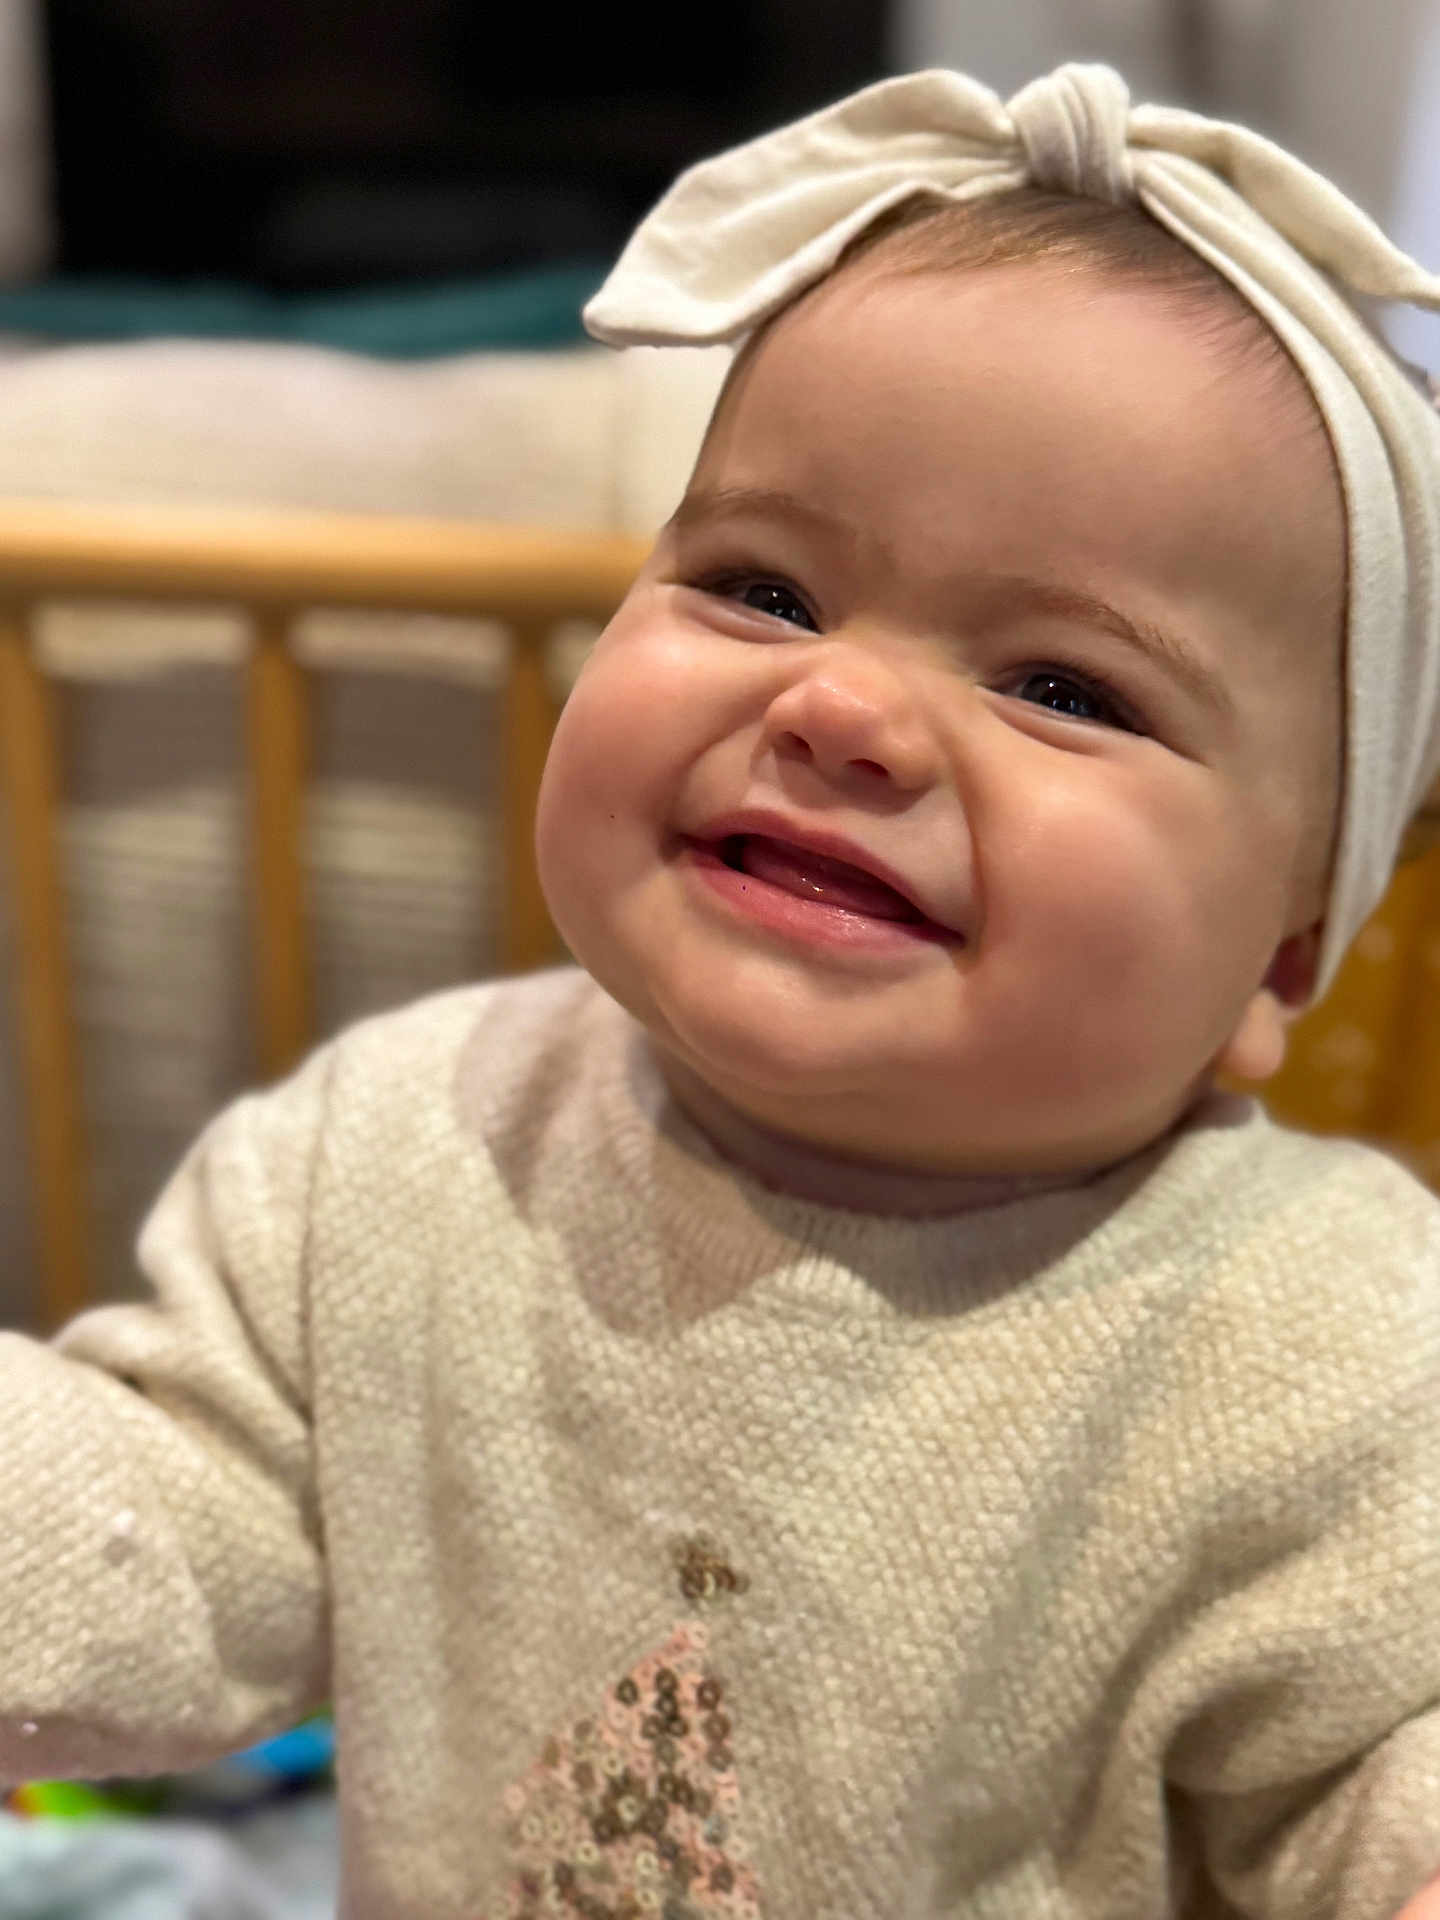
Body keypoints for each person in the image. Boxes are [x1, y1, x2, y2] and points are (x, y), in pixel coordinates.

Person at [3, 61, 1440, 1920]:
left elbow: (1388, 1750)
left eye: (1066, 689)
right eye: (762, 586)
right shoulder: (401, 1150)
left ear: (1278, 960)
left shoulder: (1323, 1341)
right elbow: (162, 1528)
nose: (838, 710)